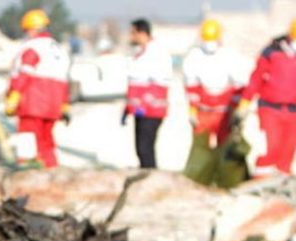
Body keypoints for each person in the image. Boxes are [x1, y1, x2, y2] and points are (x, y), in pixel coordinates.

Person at [182, 19, 248, 185]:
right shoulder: (194, 57)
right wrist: (192, 111)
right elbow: (191, 87)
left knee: (226, 147)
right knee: (200, 148)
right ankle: (199, 180)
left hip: (224, 111)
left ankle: (227, 181)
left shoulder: (230, 57)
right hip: (204, 111)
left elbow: (239, 85)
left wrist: (237, 109)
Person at [5, 9, 70, 168]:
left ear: (31, 29)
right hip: (53, 106)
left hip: (32, 104)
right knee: (46, 143)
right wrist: (64, 106)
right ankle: (52, 172)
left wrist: (14, 97)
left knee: (27, 141)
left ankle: (26, 173)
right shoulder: (59, 50)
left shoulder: (32, 47)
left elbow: (24, 74)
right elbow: (65, 80)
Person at [236, 19, 296, 176]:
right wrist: (244, 103)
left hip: (293, 112)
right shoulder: (272, 52)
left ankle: (282, 185)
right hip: (270, 108)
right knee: (270, 148)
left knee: (287, 153)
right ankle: (261, 180)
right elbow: (256, 78)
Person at [122, 18, 172, 168]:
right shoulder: (141, 54)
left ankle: (151, 177)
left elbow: (158, 84)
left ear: (142, 33)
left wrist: (144, 104)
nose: (131, 36)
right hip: (141, 110)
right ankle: (146, 174)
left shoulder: (156, 54)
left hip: (150, 110)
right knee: (140, 149)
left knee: (145, 149)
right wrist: (128, 108)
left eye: (133, 33)